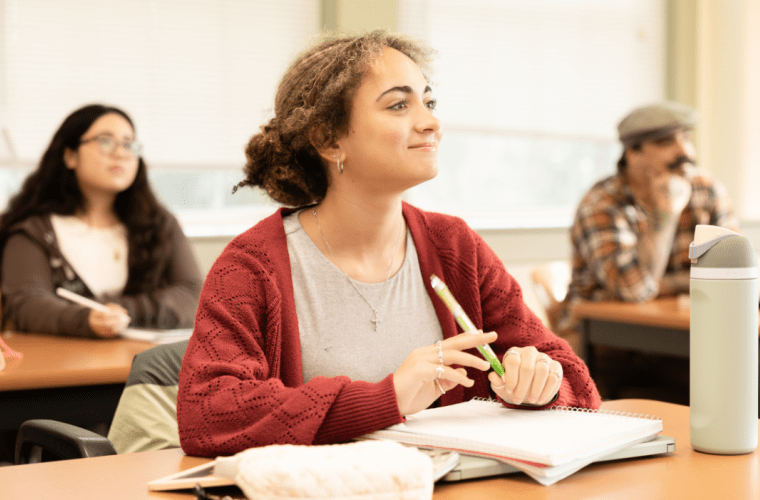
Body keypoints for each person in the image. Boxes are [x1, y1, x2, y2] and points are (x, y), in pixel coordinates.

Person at [177, 30, 600, 458]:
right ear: (328, 140)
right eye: (399, 105)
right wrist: (388, 397)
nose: (430, 122)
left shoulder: (456, 247)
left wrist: (541, 384)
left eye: (429, 102)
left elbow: (578, 387)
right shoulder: (253, 265)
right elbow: (207, 413)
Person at [559, 101, 738, 401]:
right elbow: (635, 290)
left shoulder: (707, 190)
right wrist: (664, 215)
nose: (685, 152)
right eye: (665, 142)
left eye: (685, 137)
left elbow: (732, 274)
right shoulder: (601, 204)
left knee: (738, 379)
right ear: (632, 153)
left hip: (683, 339)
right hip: (605, 344)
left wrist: (663, 286)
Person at [0, 104, 203, 338]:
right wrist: (85, 319)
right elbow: (28, 305)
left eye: (129, 144)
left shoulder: (161, 224)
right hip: (65, 367)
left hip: (144, 365)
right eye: (106, 141)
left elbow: (193, 296)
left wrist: (118, 311)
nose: (121, 153)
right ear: (70, 155)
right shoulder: (33, 230)